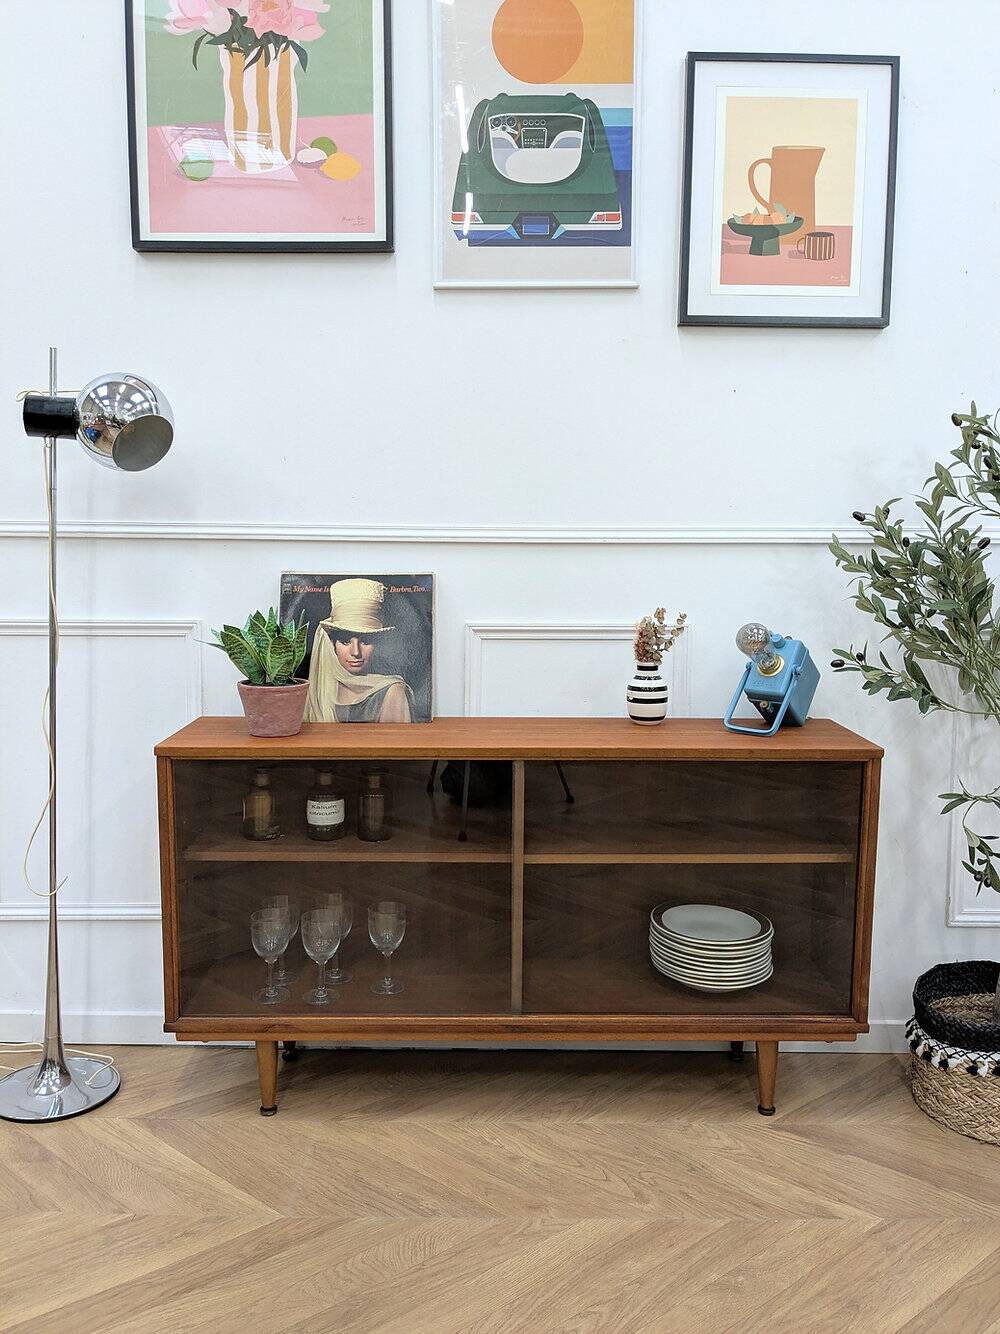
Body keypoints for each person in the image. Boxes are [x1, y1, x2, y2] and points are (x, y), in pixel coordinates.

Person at [304, 578, 415, 723]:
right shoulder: (319, 691)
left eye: (365, 641)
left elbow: (394, 744)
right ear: (332, 644)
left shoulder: (392, 692)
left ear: (377, 644)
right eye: (345, 641)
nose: (356, 652)